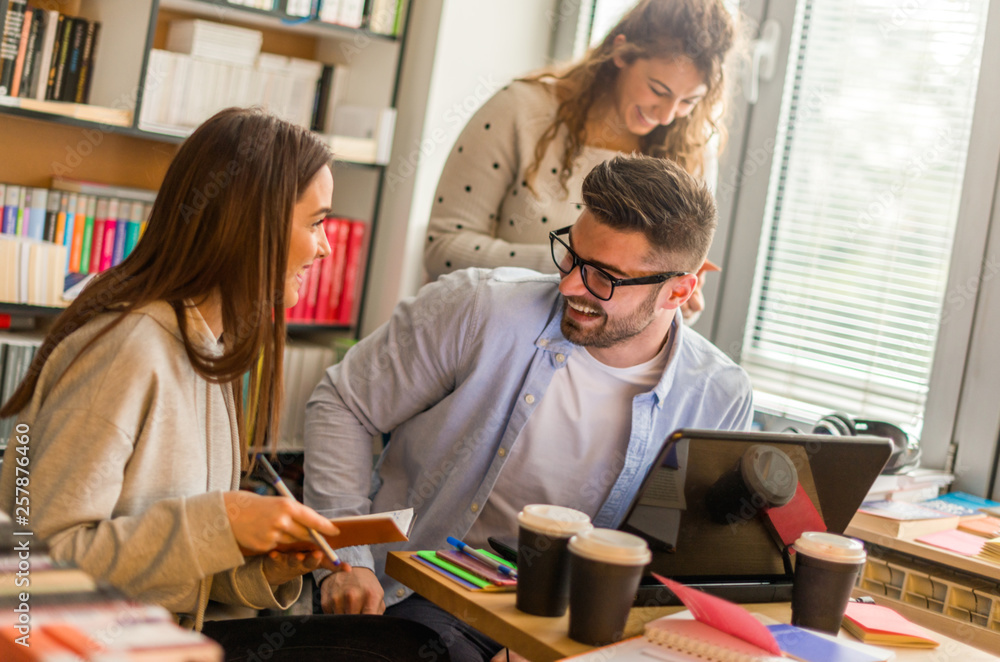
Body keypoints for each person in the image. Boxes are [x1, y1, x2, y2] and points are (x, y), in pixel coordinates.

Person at [0, 108, 449, 662]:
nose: (326, 248)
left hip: (162, 636)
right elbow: (34, 564)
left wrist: (263, 565)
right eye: (315, 223)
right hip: (89, 645)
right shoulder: (126, 352)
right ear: (251, 224)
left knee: (413, 644)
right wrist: (224, 521)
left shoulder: (208, 349)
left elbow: (172, 565)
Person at [305, 154, 753, 661]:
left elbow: (696, 555)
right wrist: (346, 560)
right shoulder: (479, 309)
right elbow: (344, 403)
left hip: (582, 627)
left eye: (603, 278)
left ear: (679, 290)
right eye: (570, 256)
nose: (568, 286)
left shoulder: (719, 395)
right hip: (427, 601)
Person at [423, 0, 738, 321]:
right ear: (621, 52)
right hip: (490, 328)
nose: (668, 115)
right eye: (658, 89)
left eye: (689, 101)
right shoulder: (519, 111)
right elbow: (442, 251)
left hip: (603, 362)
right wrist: (575, 263)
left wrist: (681, 301)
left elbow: (682, 303)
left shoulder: (691, 152)